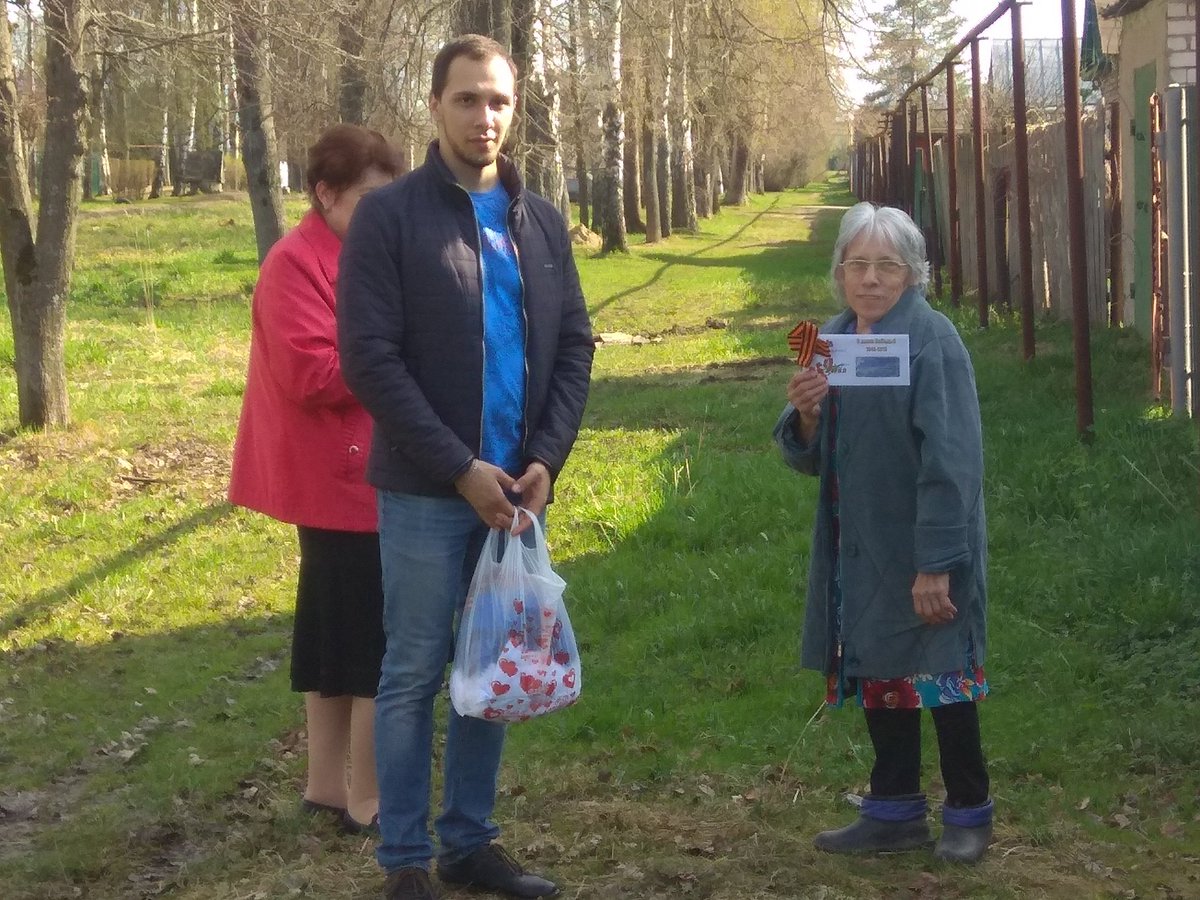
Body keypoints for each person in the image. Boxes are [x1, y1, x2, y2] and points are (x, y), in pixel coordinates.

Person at [336, 34, 594, 900]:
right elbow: (370, 358)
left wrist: (544, 461)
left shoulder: (541, 220)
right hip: (425, 491)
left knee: (497, 672)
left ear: (515, 111)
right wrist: (459, 469)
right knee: (413, 670)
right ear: (435, 106)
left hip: (518, 495)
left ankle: (469, 844)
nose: (485, 118)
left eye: (499, 102)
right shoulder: (391, 217)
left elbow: (575, 349)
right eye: (467, 100)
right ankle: (405, 862)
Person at [773, 202, 993, 864]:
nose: (870, 279)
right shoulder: (834, 342)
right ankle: (893, 811)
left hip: (926, 546)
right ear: (839, 272)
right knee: (880, 672)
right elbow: (812, 457)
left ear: (913, 273)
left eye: (887, 265)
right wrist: (807, 419)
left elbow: (951, 463)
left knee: (943, 675)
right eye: (858, 264)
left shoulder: (932, 342)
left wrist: (936, 563)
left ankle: (969, 811)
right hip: (861, 548)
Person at [229, 124, 400, 835]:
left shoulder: (360, 250)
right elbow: (309, 371)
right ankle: (366, 800)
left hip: (356, 471)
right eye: (368, 199)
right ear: (325, 195)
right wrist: (397, 357)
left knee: (333, 635)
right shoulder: (295, 262)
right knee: (368, 644)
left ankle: (328, 786)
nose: (381, 213)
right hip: (337, 478)